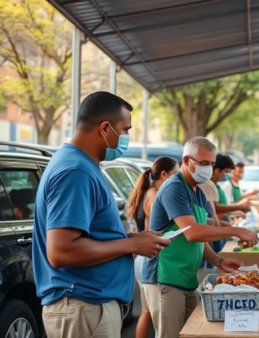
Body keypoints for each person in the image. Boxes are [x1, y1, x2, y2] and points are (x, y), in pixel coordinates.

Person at [32, 91, 170, 338]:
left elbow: (87, 234)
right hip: (83, 308)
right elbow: (61, 251)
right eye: (125, 130)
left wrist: (131, 240)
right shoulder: (76, 171)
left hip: (88, 307)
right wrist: (130, 244)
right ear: (105, 128)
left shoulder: (81, 165)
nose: (126, 137)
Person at [141, 137, 259, 338]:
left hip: (187, 277)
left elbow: (201, 238)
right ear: (187, 161)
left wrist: (219, 260)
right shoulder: (174, 188)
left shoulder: (198, 192)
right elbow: (193, 232)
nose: (209, 168)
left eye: (212, 164)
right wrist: (235, 230)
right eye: (204, 163)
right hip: (166, 277)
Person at [127, 156, 179, 338]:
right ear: (164, 175)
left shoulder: (148, 192)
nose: (178, 178)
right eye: (175, 174)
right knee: (150, 315)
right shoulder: (156, 195)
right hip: (150, 258)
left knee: (146, 312)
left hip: (142, 258)